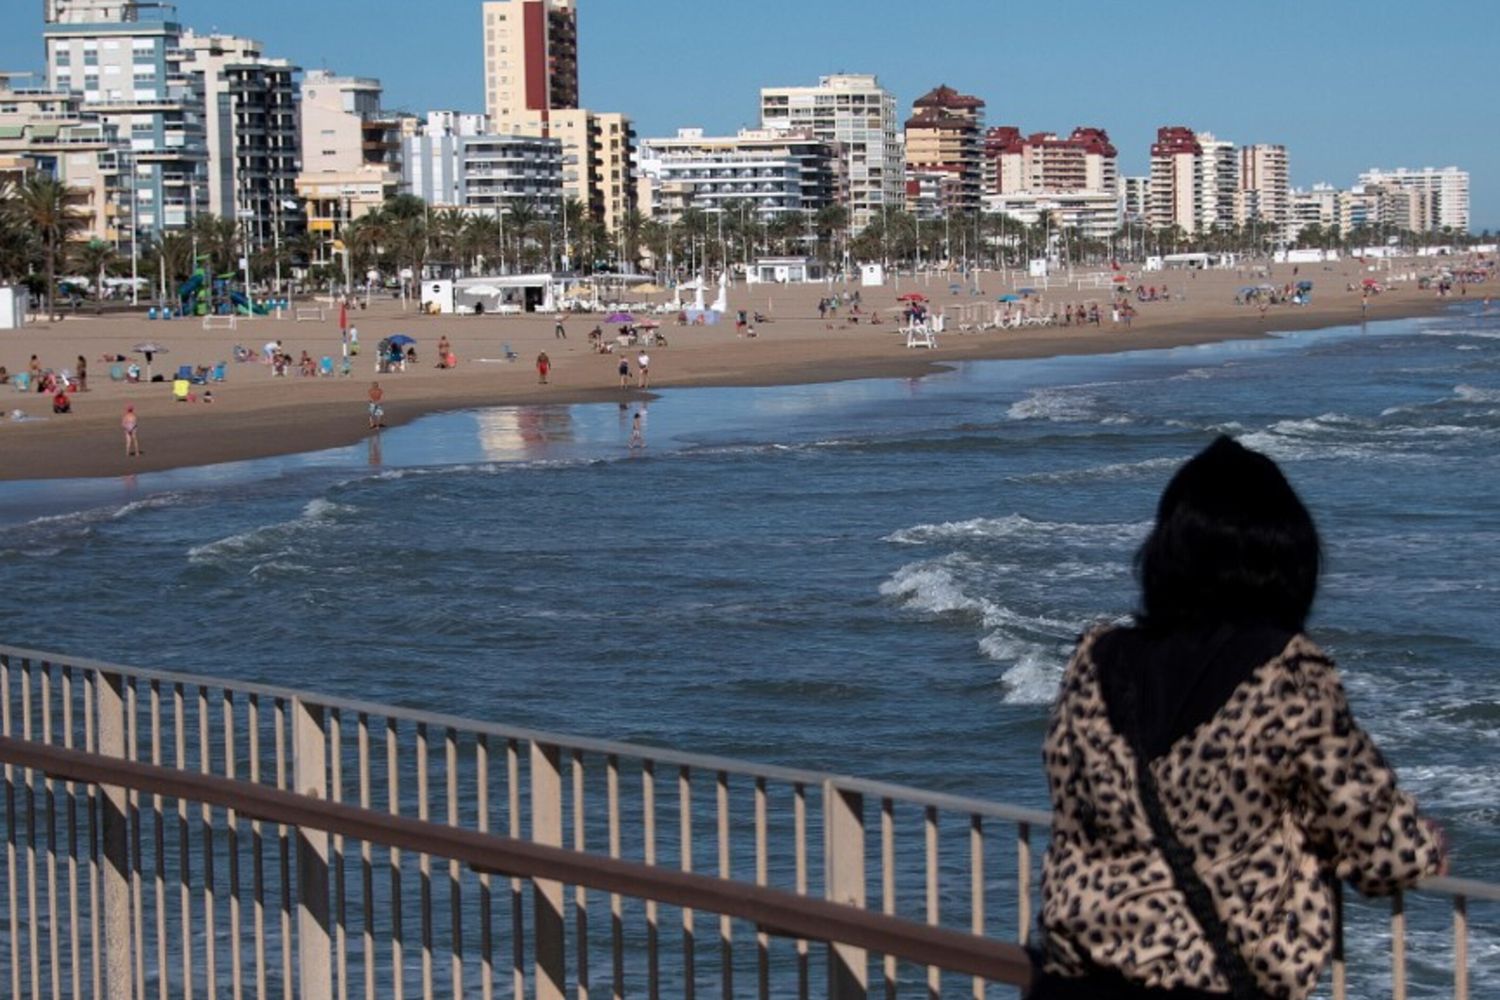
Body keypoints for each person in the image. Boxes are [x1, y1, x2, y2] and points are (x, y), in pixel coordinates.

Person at [1033, 436, 1446, 1000]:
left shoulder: (1095, 660)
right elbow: (1379, 845)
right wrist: (1425, 848)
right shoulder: (1287, 675)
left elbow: (1071, 798)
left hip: (1076, 982)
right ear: (1287, 557)